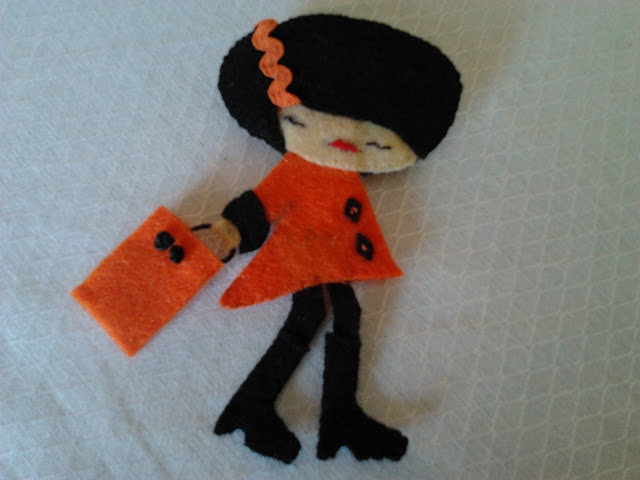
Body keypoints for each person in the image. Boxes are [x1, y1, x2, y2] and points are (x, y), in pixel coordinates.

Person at [207, 14, 462, 463]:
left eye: (374, 144)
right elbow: (266, 200)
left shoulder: (338, 173)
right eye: (303, 123)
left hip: (335, 257)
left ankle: (330, 414)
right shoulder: (300, 171)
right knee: (314, 315)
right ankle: (269, 407)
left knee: (340, 315)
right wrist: (232, 229)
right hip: (305, 253)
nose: (344, 142)